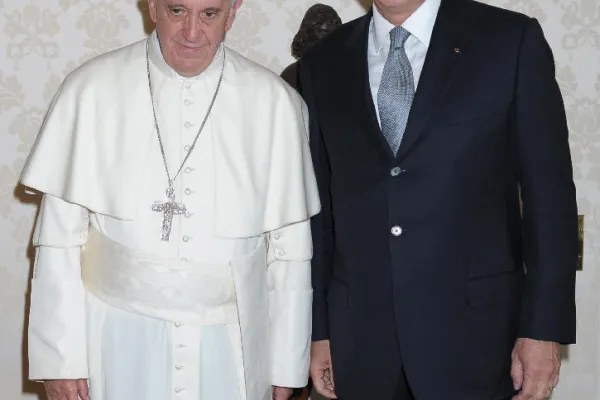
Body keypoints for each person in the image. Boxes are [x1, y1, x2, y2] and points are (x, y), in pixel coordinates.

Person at [19, 0, 320, 399]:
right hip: (114, 340)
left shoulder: (275, 104)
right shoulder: (90, 89)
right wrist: (61, 360)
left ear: (232, 12)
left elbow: (290, 253)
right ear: (152, 6)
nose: (192, 33)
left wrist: (285, 367)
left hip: (232, 348)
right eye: (177, 11)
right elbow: (59, 240)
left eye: (209, 14)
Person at [299, 0, 578, 399]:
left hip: (478, 344)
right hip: (360, 347)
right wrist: (318, 331)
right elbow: (318, 216)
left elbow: (549, 198)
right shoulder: (322, 62)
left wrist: (543, 329)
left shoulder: (510, 41)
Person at [280, 4, 341, 90]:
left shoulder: (346, 71)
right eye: (323, 32)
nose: (330, 39)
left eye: (335, 33)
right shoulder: (291, 76)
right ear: (307, 34)